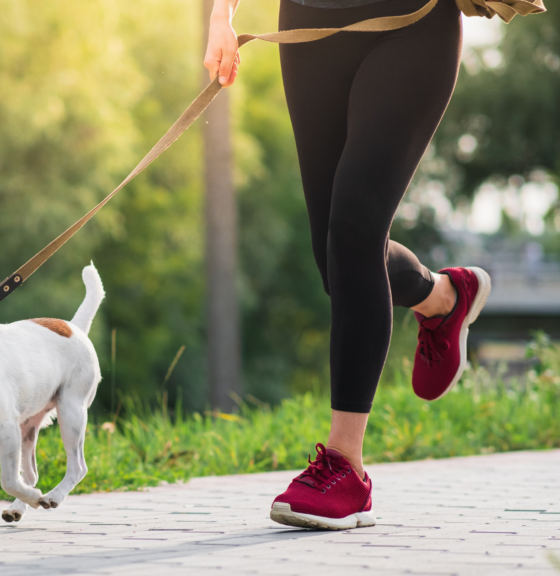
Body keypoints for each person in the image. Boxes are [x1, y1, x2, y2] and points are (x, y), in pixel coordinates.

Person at [203, 0, 492, 530]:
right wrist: (221, 16)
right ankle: (443, 297)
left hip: (412, 22)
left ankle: (346, 469)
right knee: (333, 257)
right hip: (312, 22)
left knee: (356, 229)